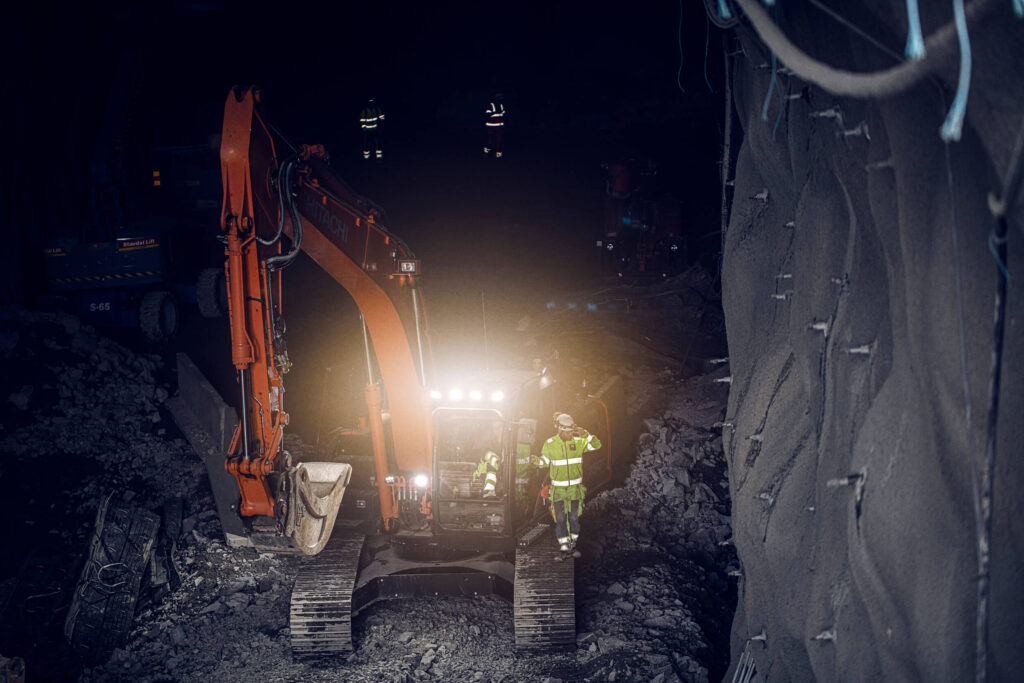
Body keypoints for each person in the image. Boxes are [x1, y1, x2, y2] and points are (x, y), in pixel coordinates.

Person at [532, 412, 602, 555]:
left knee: (574, 518)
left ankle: (572, 545)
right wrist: (535, 461)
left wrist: (585, 434)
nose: (569, 434)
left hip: (575, 489)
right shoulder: (550, 444)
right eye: (566, 432)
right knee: (561, 518)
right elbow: (544, 462)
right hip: (558, 490)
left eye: (571, 431)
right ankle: (564, 546)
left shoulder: (578, 442)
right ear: (559, 429)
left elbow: (597, 445)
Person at [483, 93, 505, 158]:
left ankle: (498, 154)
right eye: (499, 98)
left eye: (501, 98)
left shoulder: (501, 105)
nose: (500, 99)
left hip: (499, 126)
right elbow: (486, 115)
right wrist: (495, 112)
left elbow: (503, 115)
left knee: (499, 140)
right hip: (490, 126)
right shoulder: (490, 105)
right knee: (490, 139)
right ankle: (486, 151)